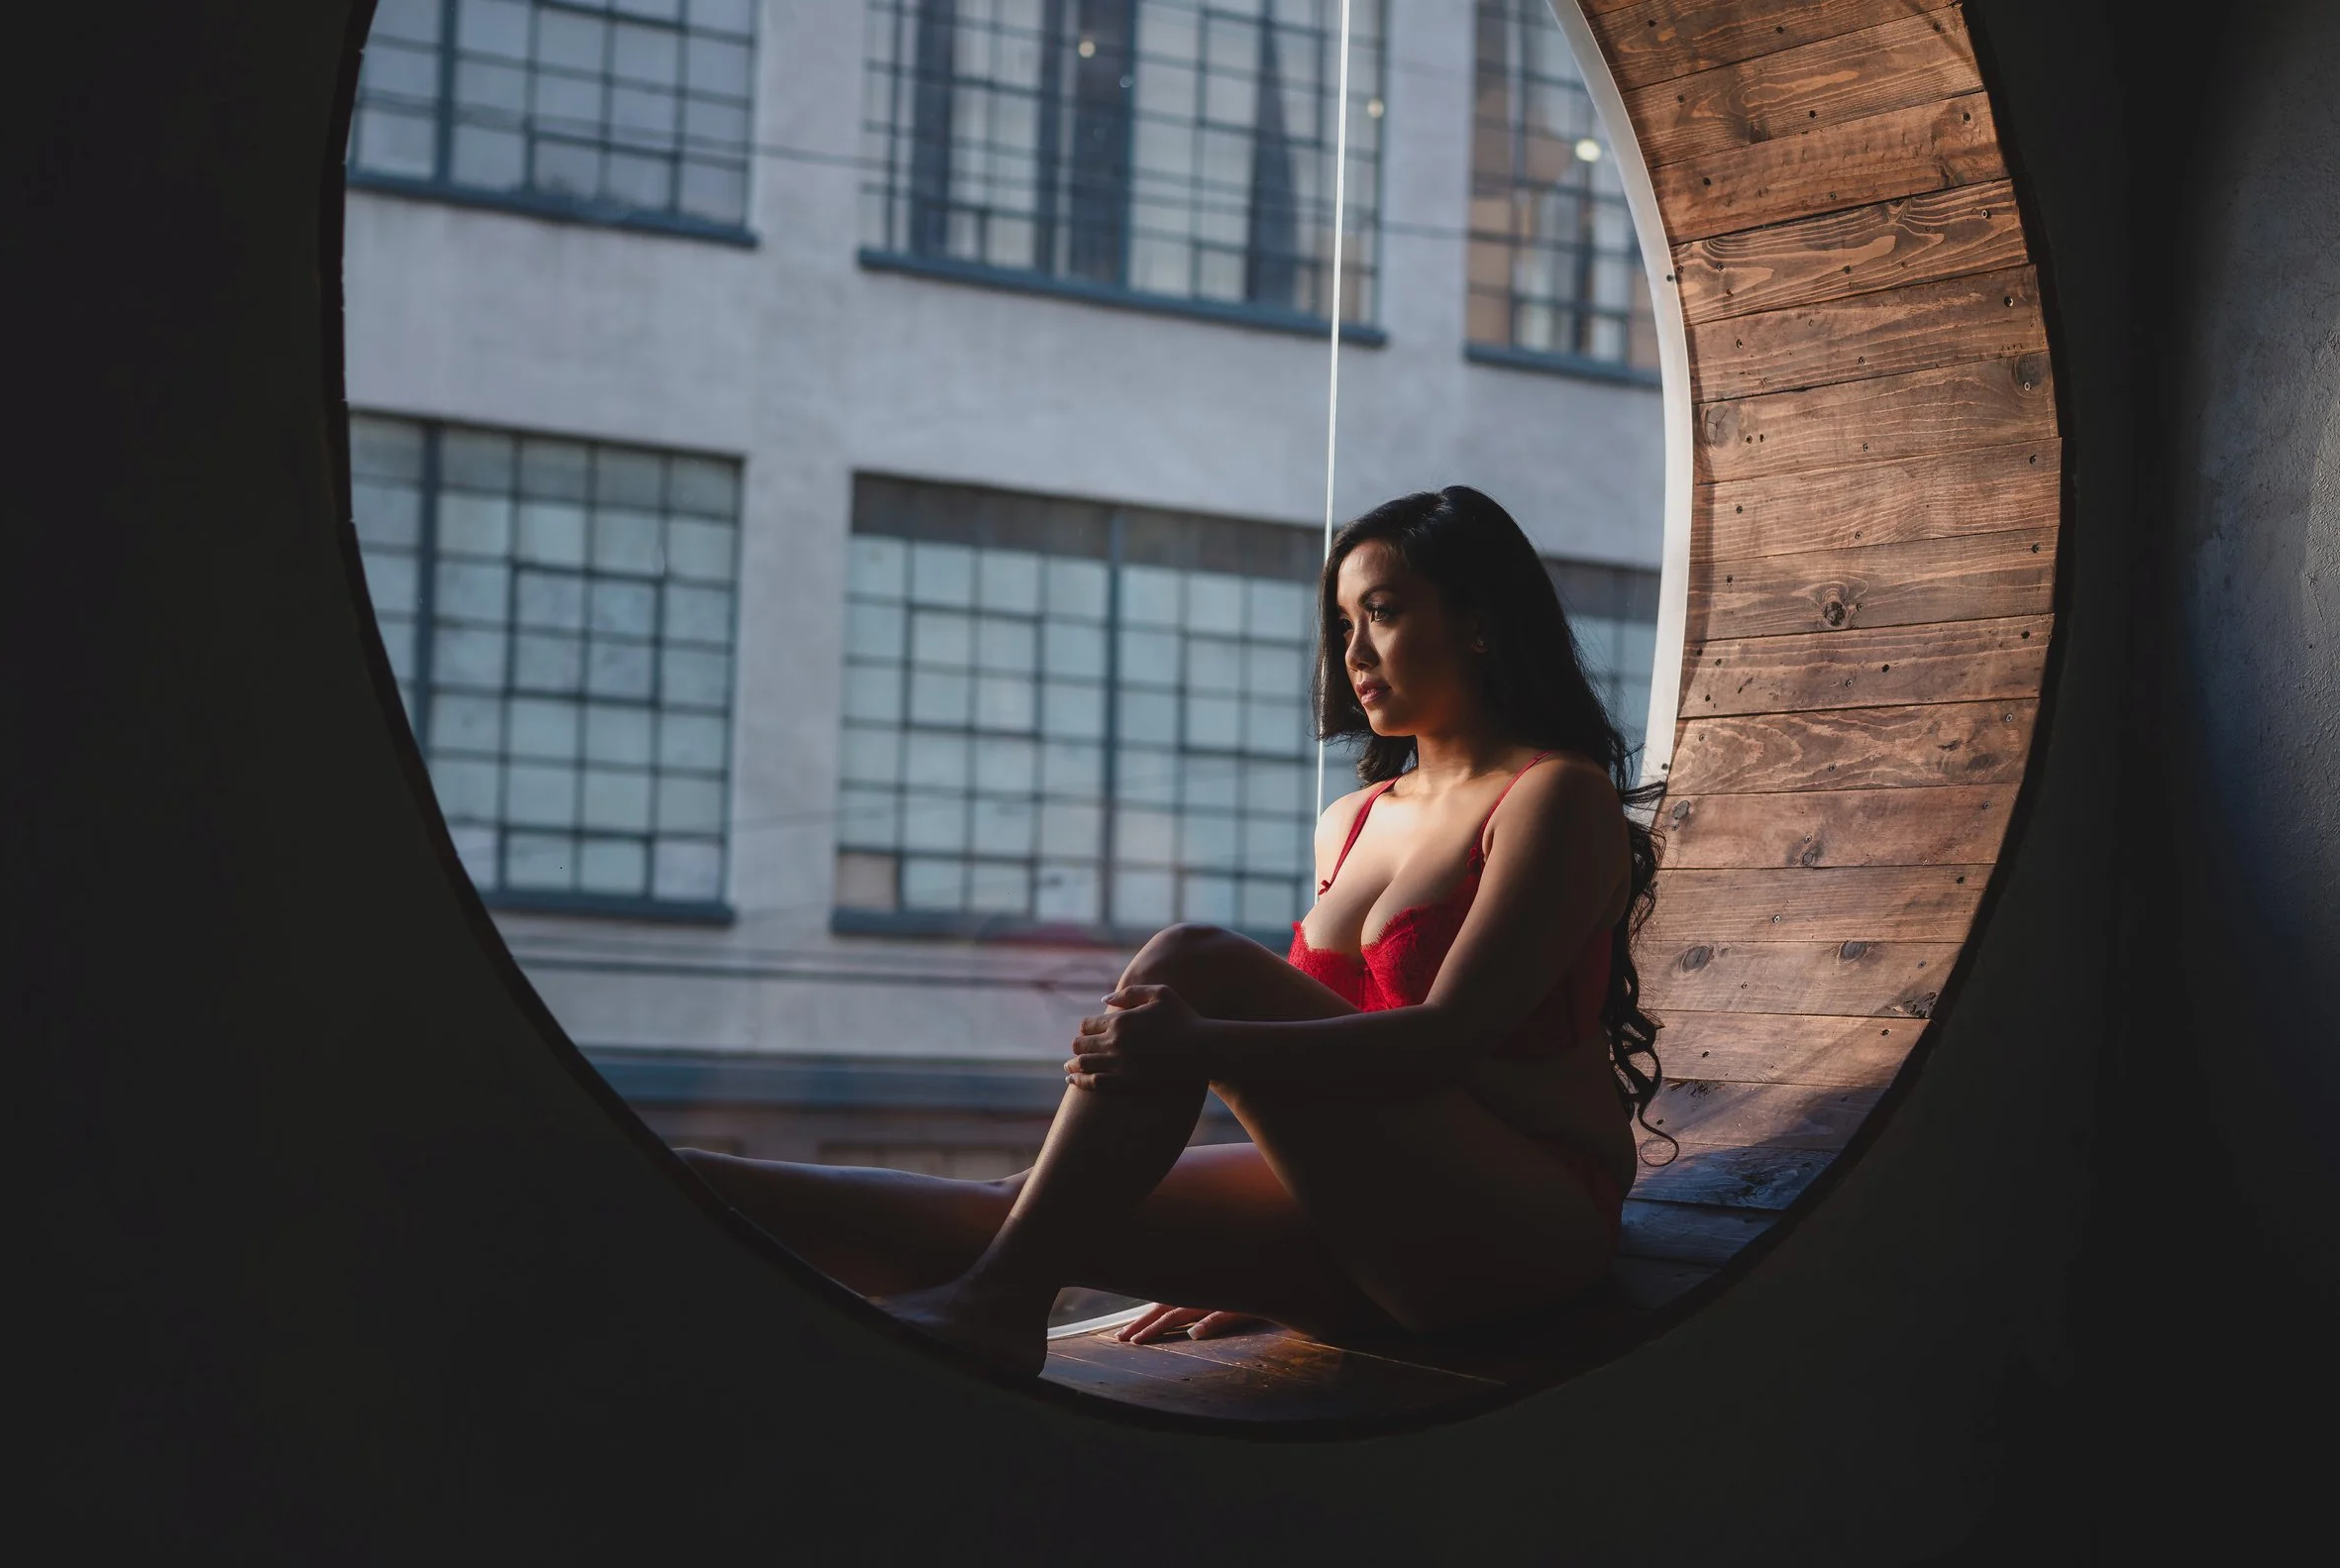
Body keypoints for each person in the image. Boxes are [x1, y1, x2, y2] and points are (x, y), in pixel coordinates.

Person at [682, 486, 1664, 1377]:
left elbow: (1441, 1043)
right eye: (1342, 623)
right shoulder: (1351, 822)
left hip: (1524, 1228)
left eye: (1385, 613)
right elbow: (1333, 1066)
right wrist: (1280, 1234)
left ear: (1479, 621)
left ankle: (1004, 1303)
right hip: (1392, 1220)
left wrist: (1201, 1048)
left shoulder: (1554, 799)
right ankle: (680, 1190)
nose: (1353, 653)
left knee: (1192, 967)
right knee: (1010, 1213)